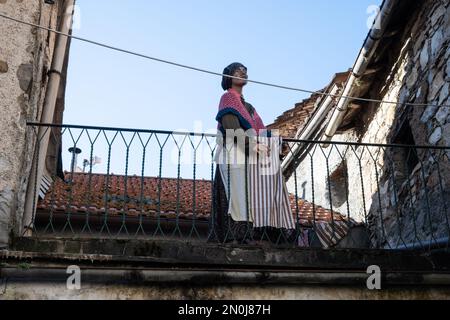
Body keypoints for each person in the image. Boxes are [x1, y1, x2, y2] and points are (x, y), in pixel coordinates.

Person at [208, 62, 296, 245]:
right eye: (239, 70)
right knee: (234, 194)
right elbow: (229, 125)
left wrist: (277, 142)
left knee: (248, 195)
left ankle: (252, 234)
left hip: (249, 161)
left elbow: (261, 130)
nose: (244, 73)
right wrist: (249, 145)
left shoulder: (249, 107)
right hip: (232, 155)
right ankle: (232, 236)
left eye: (246, 71)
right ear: (229, 76)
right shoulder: (227, 98)